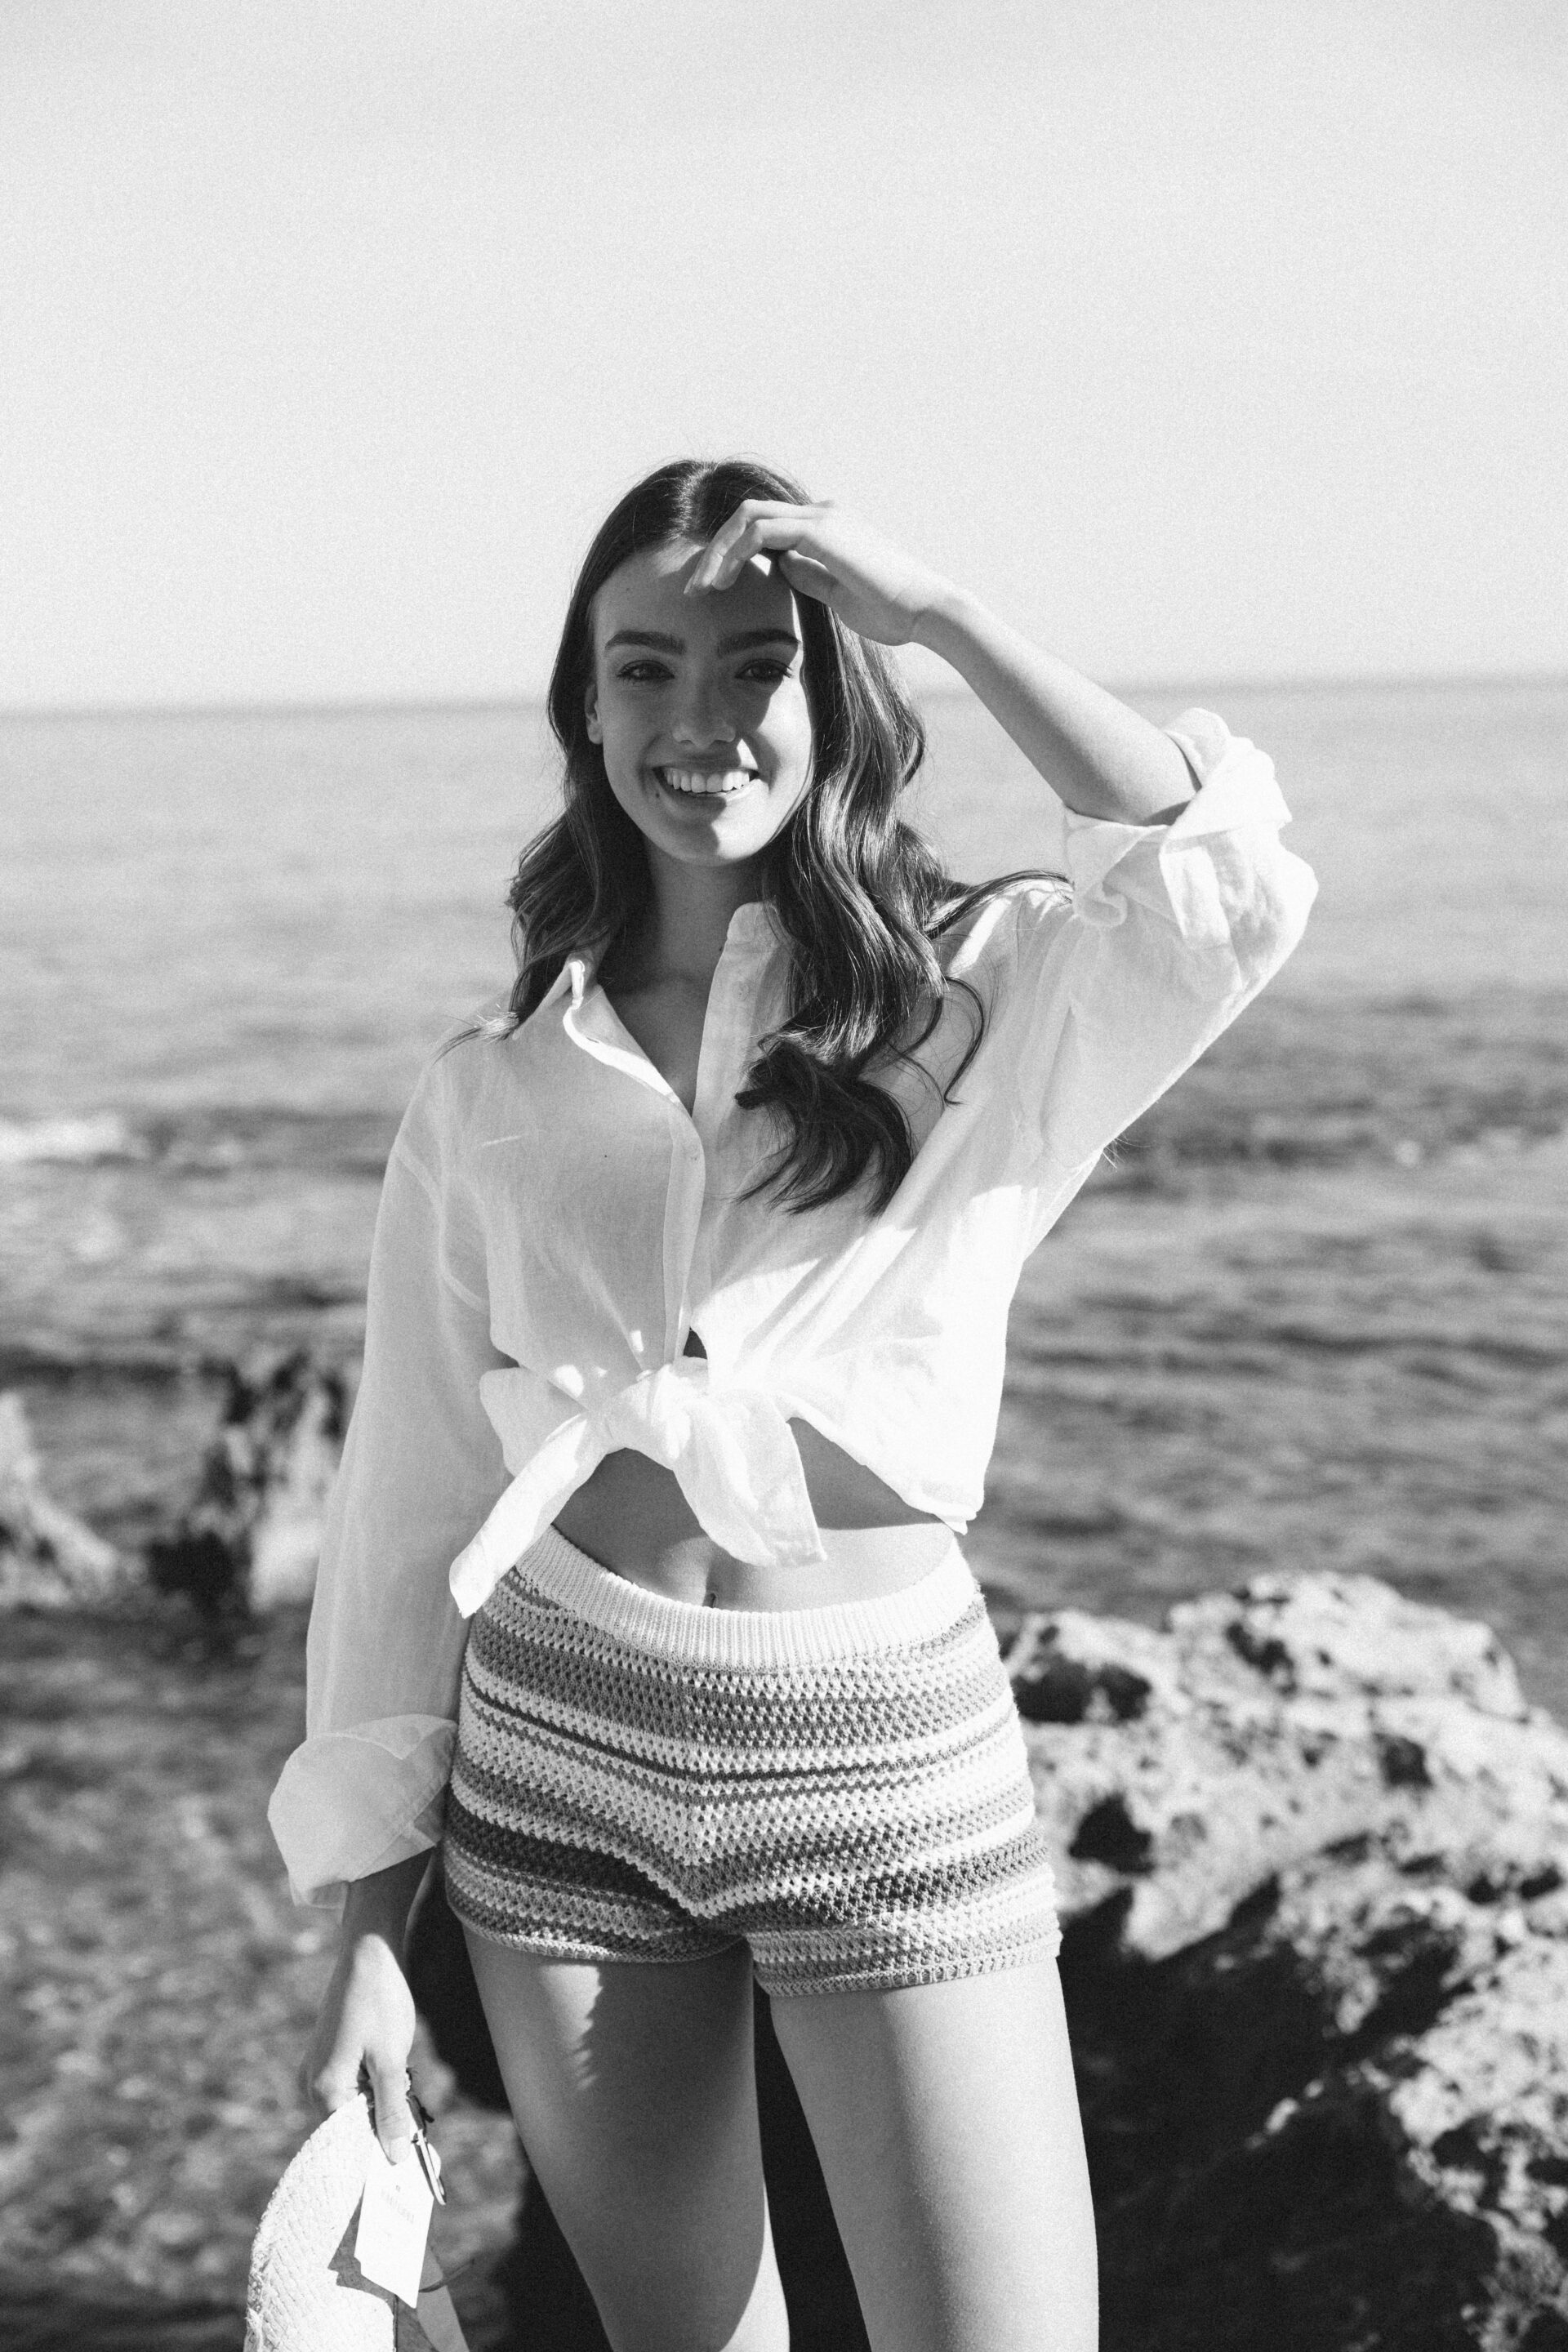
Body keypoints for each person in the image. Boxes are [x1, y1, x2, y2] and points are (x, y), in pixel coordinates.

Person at [269, 456, 1316, 2352]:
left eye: (759, 665)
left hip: (879, 1753)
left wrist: (942, 613)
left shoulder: (977, 998)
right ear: (586, 707)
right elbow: (405, 1510)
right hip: (559, 1753)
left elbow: (1215, 885)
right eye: (647, 667)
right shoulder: (491, 1090)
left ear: (834, 695)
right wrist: (362, 1947)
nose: (700, 721)